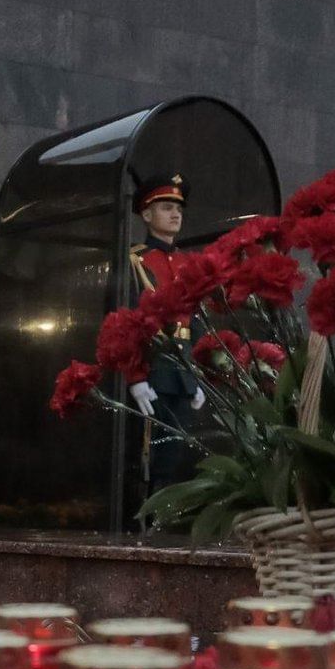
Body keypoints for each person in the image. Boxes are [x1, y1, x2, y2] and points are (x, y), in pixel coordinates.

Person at [126, 174, 205, 491]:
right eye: (166, 207)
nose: (175, 214)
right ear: (146, 214)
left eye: (179, 209)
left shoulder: (187, 263)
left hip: (182, 373)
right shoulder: (137, 260)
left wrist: (197, 373)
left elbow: (196, 321)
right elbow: (129, 321)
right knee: (149, 458)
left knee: (175, 458)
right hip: (154, 369)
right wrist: (136, 377)